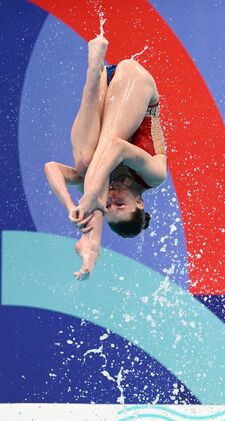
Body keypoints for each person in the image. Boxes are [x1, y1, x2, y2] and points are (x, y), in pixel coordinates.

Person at [44, 35, 167, 279]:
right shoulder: (153, 176)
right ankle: (93, 242)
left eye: (108, 205)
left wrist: (72, 206)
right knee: (100, 161)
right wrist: (91, 198)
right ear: (139, 203)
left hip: (105, 87)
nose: (111, 198)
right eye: (120, 204)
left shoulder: (102, 182)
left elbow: (51, 168)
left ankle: (94, 73)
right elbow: (116, 146)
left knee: (84, 163)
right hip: (135, 82)